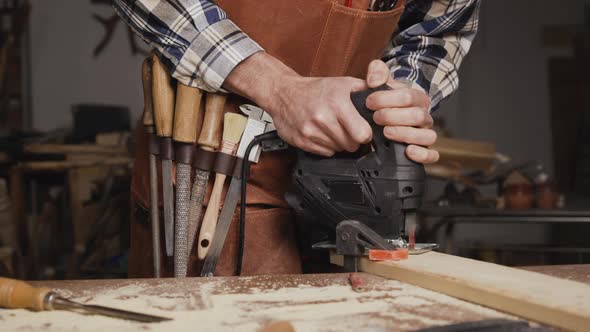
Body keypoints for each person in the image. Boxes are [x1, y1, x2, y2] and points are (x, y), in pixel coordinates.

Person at [114, 0, 480, 277]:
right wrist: (277, 87)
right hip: (210, 172)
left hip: (346, 179)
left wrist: (397, 100)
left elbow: (440, 28)